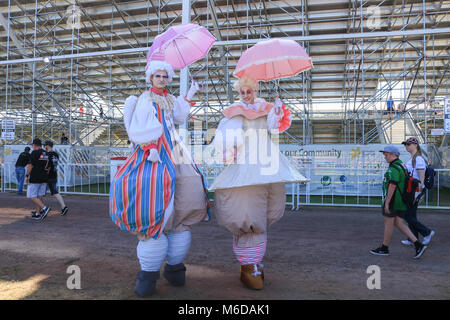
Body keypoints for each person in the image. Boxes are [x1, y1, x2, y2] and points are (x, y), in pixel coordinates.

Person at [109, 53, 209, 297]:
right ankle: (149, 272)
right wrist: (151, 146)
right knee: (150, 185)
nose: (162, 79)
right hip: (151, 148)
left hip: (174, 146)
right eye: (158, 75)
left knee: (189, 181)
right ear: (150, 77)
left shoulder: (170, 98)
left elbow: (177, 118)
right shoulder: (144, 99)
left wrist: (190, 93)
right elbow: (141, 126)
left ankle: (174, 265)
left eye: (165, 76)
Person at [209, 75, 309, 290]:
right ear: (239, 92)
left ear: (254, 90)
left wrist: (277, 110)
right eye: (243, 91)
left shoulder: (265, 108)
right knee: (245, 208)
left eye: (249, 91)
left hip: (266, 161)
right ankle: (249, 265)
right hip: (244, 163)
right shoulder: (233, 112)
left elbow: (273, 128)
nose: (246, 95)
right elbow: (224, 139)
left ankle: (253, 263)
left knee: (269, 205)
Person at [370, 146, 427, 259]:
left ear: (393, 155)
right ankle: (418, 244)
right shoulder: (402, 165)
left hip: (394, 201)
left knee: (389, 223)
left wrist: (387, 202)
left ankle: (384, 248)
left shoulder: (394, 168)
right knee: (399, 223)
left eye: (387, 154)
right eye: (385, 154)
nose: (385, 157)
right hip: (401, 200)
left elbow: (392, 185)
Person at [400, 137, 435, 246]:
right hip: (412, 190)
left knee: (407, 215)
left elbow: (421, 176)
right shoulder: (412, 159)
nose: (407, 146)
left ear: (415, 145)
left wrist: (419, 192)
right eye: (406, 144)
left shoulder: (418, 159)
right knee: (411, 215)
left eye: (409, 144)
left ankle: (427, 232)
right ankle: (412, 238)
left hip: (415, 190)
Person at [25, 138, 51, 221]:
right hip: (44, 178)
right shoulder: (45, 153)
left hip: (35, 177)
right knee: (39, 196)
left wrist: (26, 175)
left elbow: (30, 165)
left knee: (31, 196)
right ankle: (37, 213)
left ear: (34, 145)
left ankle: (45, 208)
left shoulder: (34, 152)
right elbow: (49, 167)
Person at [44, 140, 68, 216]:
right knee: (55, 192)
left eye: (45, 146)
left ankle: (42, 208)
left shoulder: (47, 154)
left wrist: (44, 175)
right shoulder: (56, 154)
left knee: (40, 193)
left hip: (48, 176)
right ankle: (63, 206)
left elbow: (47, 166)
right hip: (54, 174)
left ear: (47, 146)